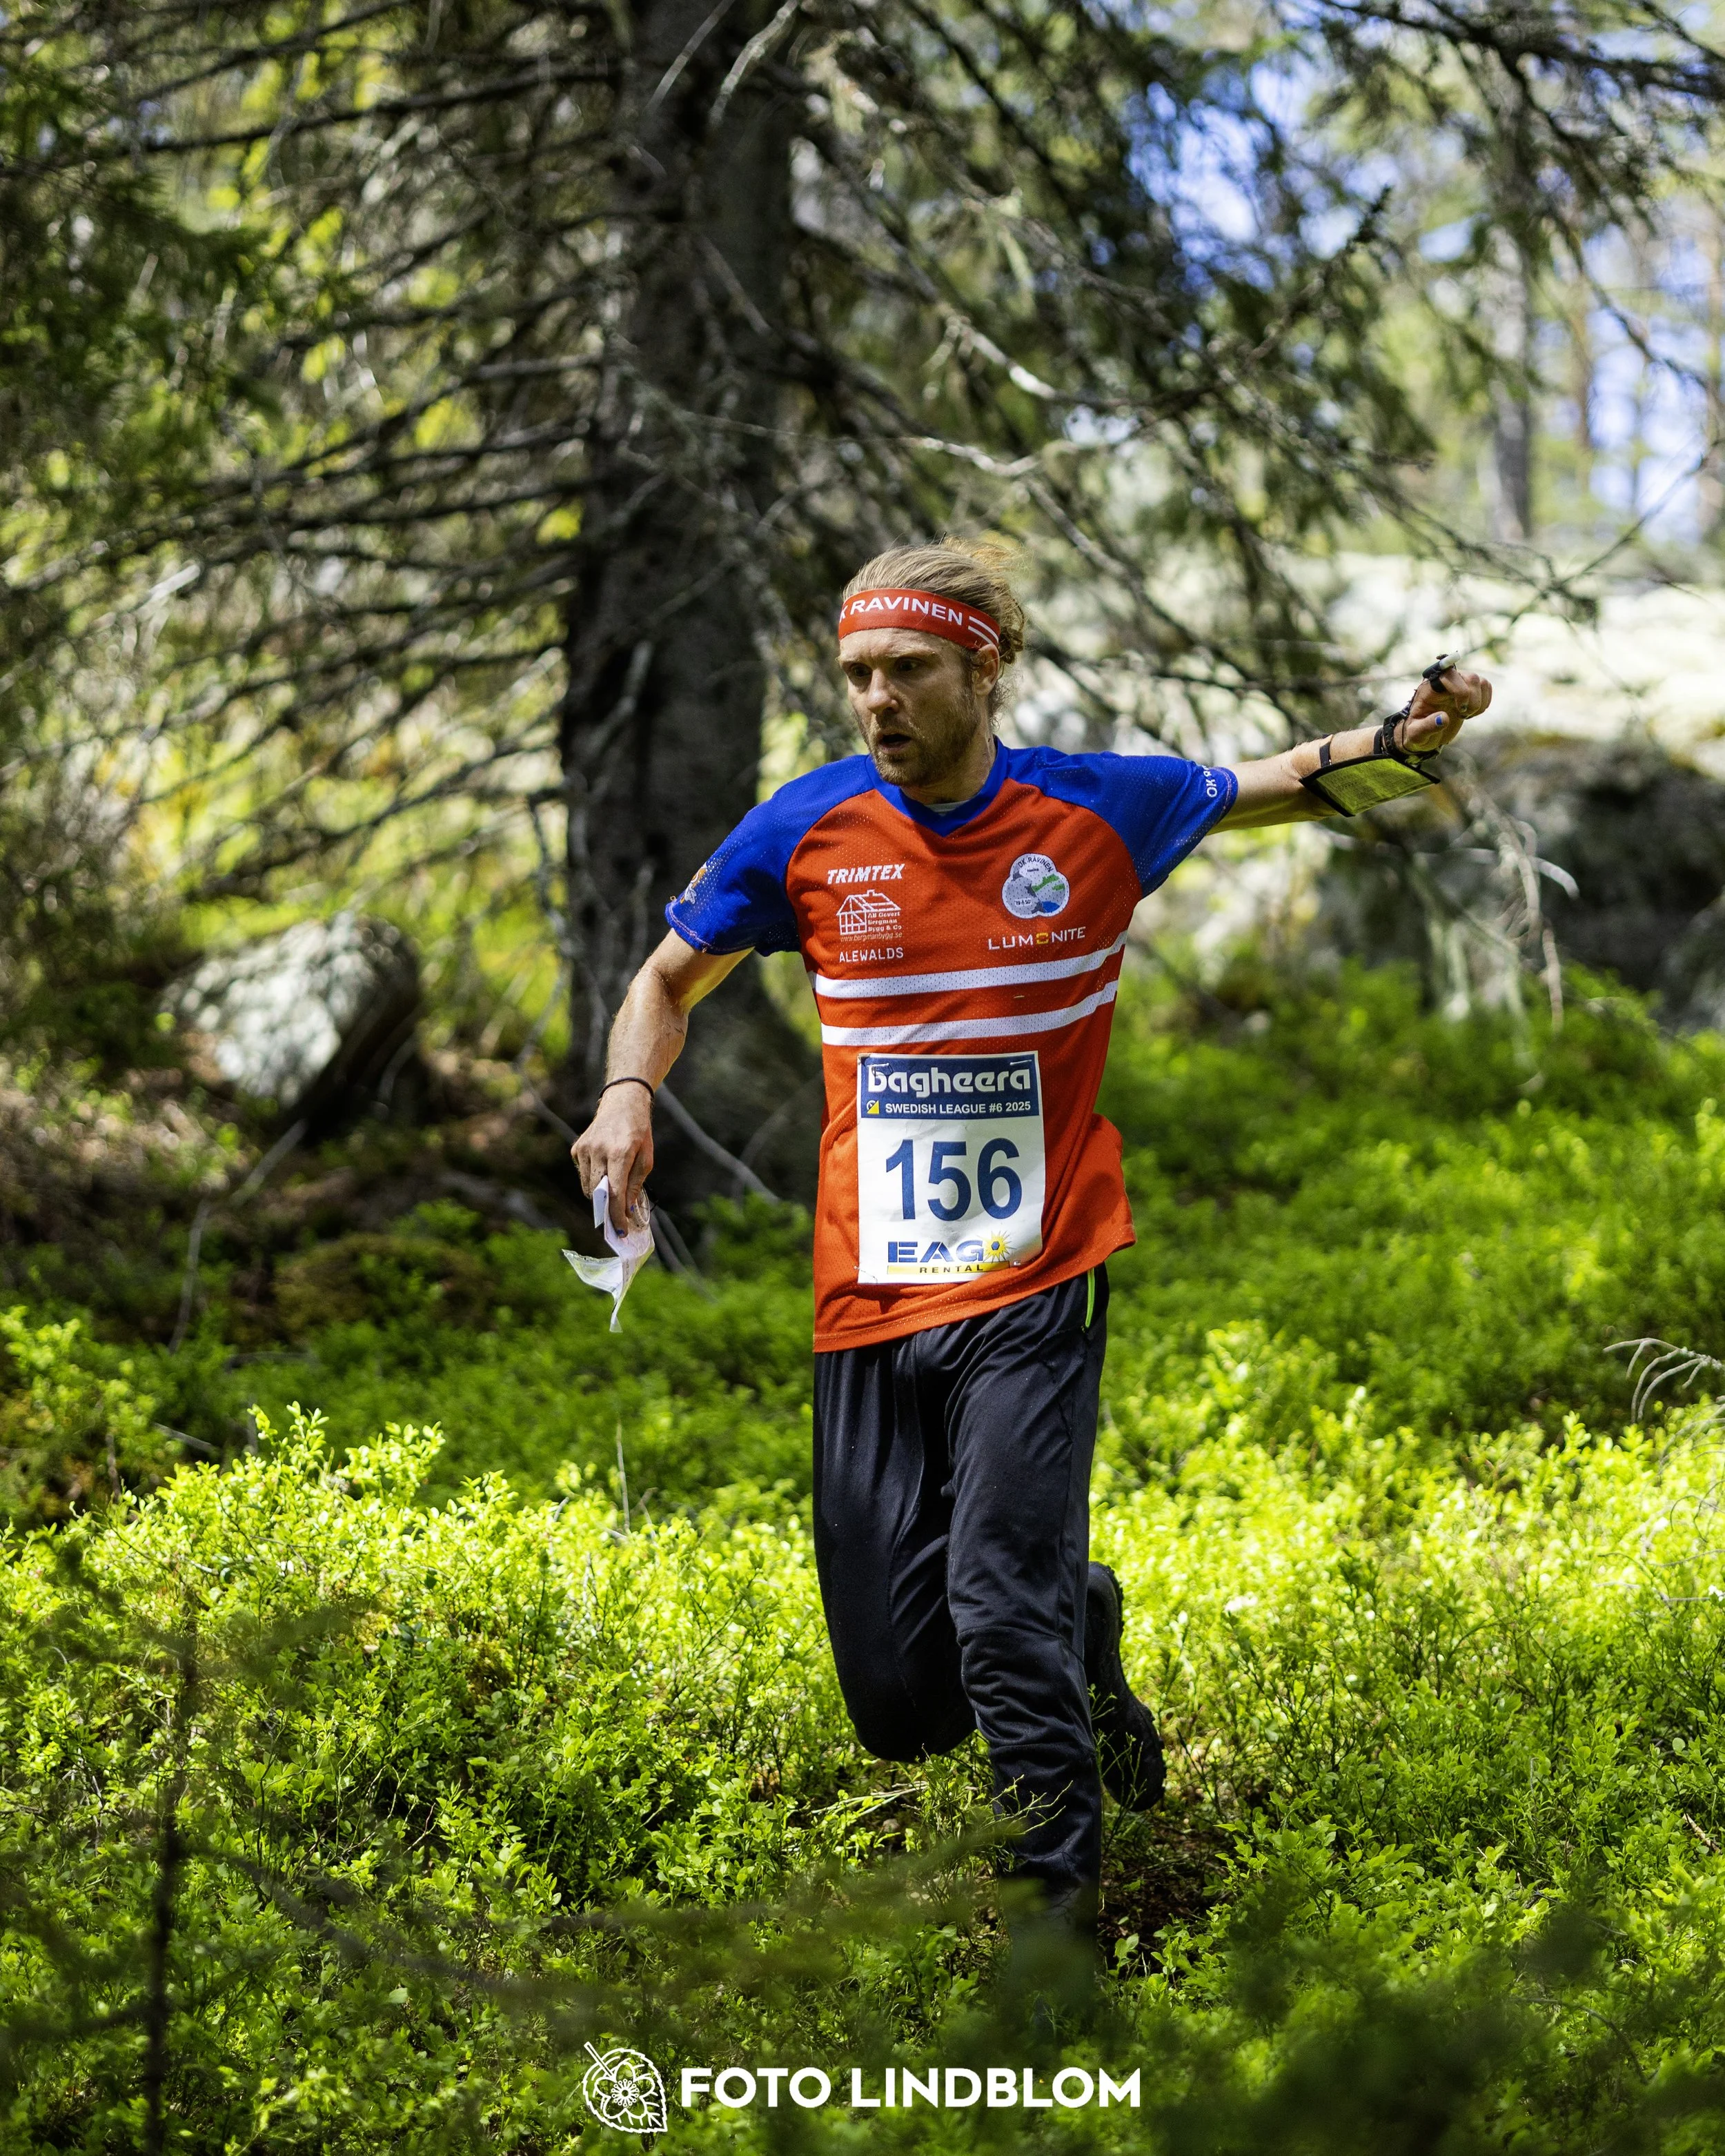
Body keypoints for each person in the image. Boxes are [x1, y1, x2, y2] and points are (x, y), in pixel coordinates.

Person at [571, 543, 1492, 1955]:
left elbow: (1267, 787)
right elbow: (663, 975)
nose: (877, 700)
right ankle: (1082, 1614)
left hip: (1036, 1273)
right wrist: (628, 1091)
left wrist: (1396, 739)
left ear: (984, 663)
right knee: (896, 1703)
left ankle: (1052, 1932)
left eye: (908, 671)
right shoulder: (804, 829)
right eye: (857, 675)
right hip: (866, 1291)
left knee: (993, 1599)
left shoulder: (1091, 810)